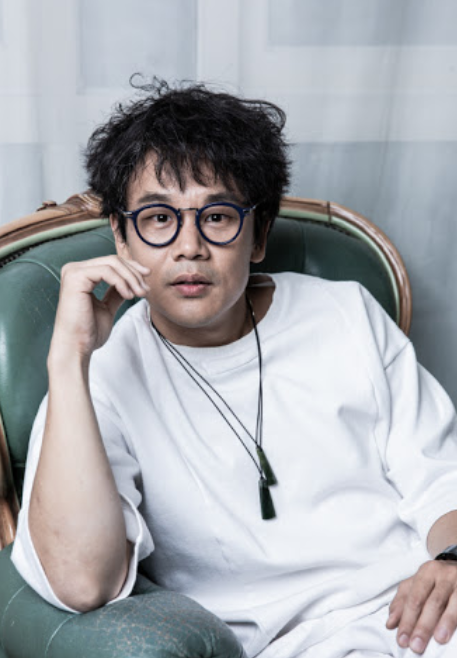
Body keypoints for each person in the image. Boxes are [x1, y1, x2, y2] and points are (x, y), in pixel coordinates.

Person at [11, 78, 457, 658]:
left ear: (259, 234)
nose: (189, 247)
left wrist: (452, 560)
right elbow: (81, 581)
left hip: (423, 616)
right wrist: (68, 360)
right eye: (158, 218)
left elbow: (438, 476)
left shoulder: (345, 313)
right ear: (121, 237)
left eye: (218, 217)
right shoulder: (100, 376)